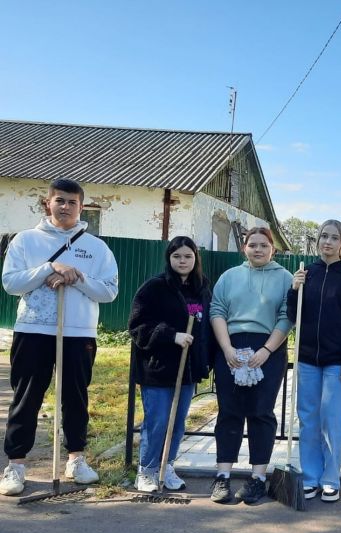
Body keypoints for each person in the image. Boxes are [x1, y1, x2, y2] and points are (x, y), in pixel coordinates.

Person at [0, 178, 118, 496]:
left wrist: (76, 276)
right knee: (26, 398)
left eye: (72, 202)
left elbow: (109, 291)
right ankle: (16, 465)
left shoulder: (97, 248)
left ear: (82, 207)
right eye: (59, 201)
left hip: (78, 333)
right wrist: (48, 267)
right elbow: (11, 283)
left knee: (75, 398)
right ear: (47, 203)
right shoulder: (25, 241)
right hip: (34, 329)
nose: (65, 207)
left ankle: (76, 459)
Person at [208, 227, 293, 504]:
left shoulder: (285, 278)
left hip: (268, 349)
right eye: (252, 245)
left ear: (273, 249)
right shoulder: (229, 277)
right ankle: (222, 477)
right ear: (244, 248)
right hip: (231, 348)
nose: (258, 250)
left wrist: (267, 350)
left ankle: (257, 478)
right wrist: (227, 348)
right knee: (229, 411)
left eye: (264, 245)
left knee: (260, 412)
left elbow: (286, 316)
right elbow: (217, 310)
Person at [287, 219, 341, 503]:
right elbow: (293, 315)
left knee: (332, 421)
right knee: (308, 420)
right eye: (323, 237)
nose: (327, 242)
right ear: (317, 240)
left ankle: (331, 479)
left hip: (336, 362)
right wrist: (294, 289)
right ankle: (310, 477)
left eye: (334, 238)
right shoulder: (307, 272)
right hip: (307, 359)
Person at [128, 236, 213, 492]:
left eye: (187, 256)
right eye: (177, 256)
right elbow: (137, 325)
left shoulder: (202, 289)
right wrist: (171, 335)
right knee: (158, 421)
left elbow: (207, 326)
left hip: (187, 370)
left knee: (177, 422)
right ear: (169, 258)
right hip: (158, 367)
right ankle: (147, 469)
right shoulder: (154, 287)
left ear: (195, 258)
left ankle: (168, 466)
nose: (182, 261)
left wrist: (205, 360)